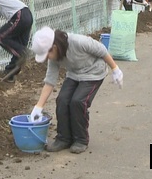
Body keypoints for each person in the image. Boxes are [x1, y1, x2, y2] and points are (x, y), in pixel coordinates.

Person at [28, 26, 123, 154]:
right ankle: (64, 138)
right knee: (62, 100)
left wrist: (115, 69)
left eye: (47, 54)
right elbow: (50, 81)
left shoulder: (79, 42)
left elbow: (102, 51)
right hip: (74, 74)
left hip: (93, 72)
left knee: (78, 101)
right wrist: (38, 106)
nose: (47, 58)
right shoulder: (55, 57)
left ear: (54, 47)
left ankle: (81, 140)